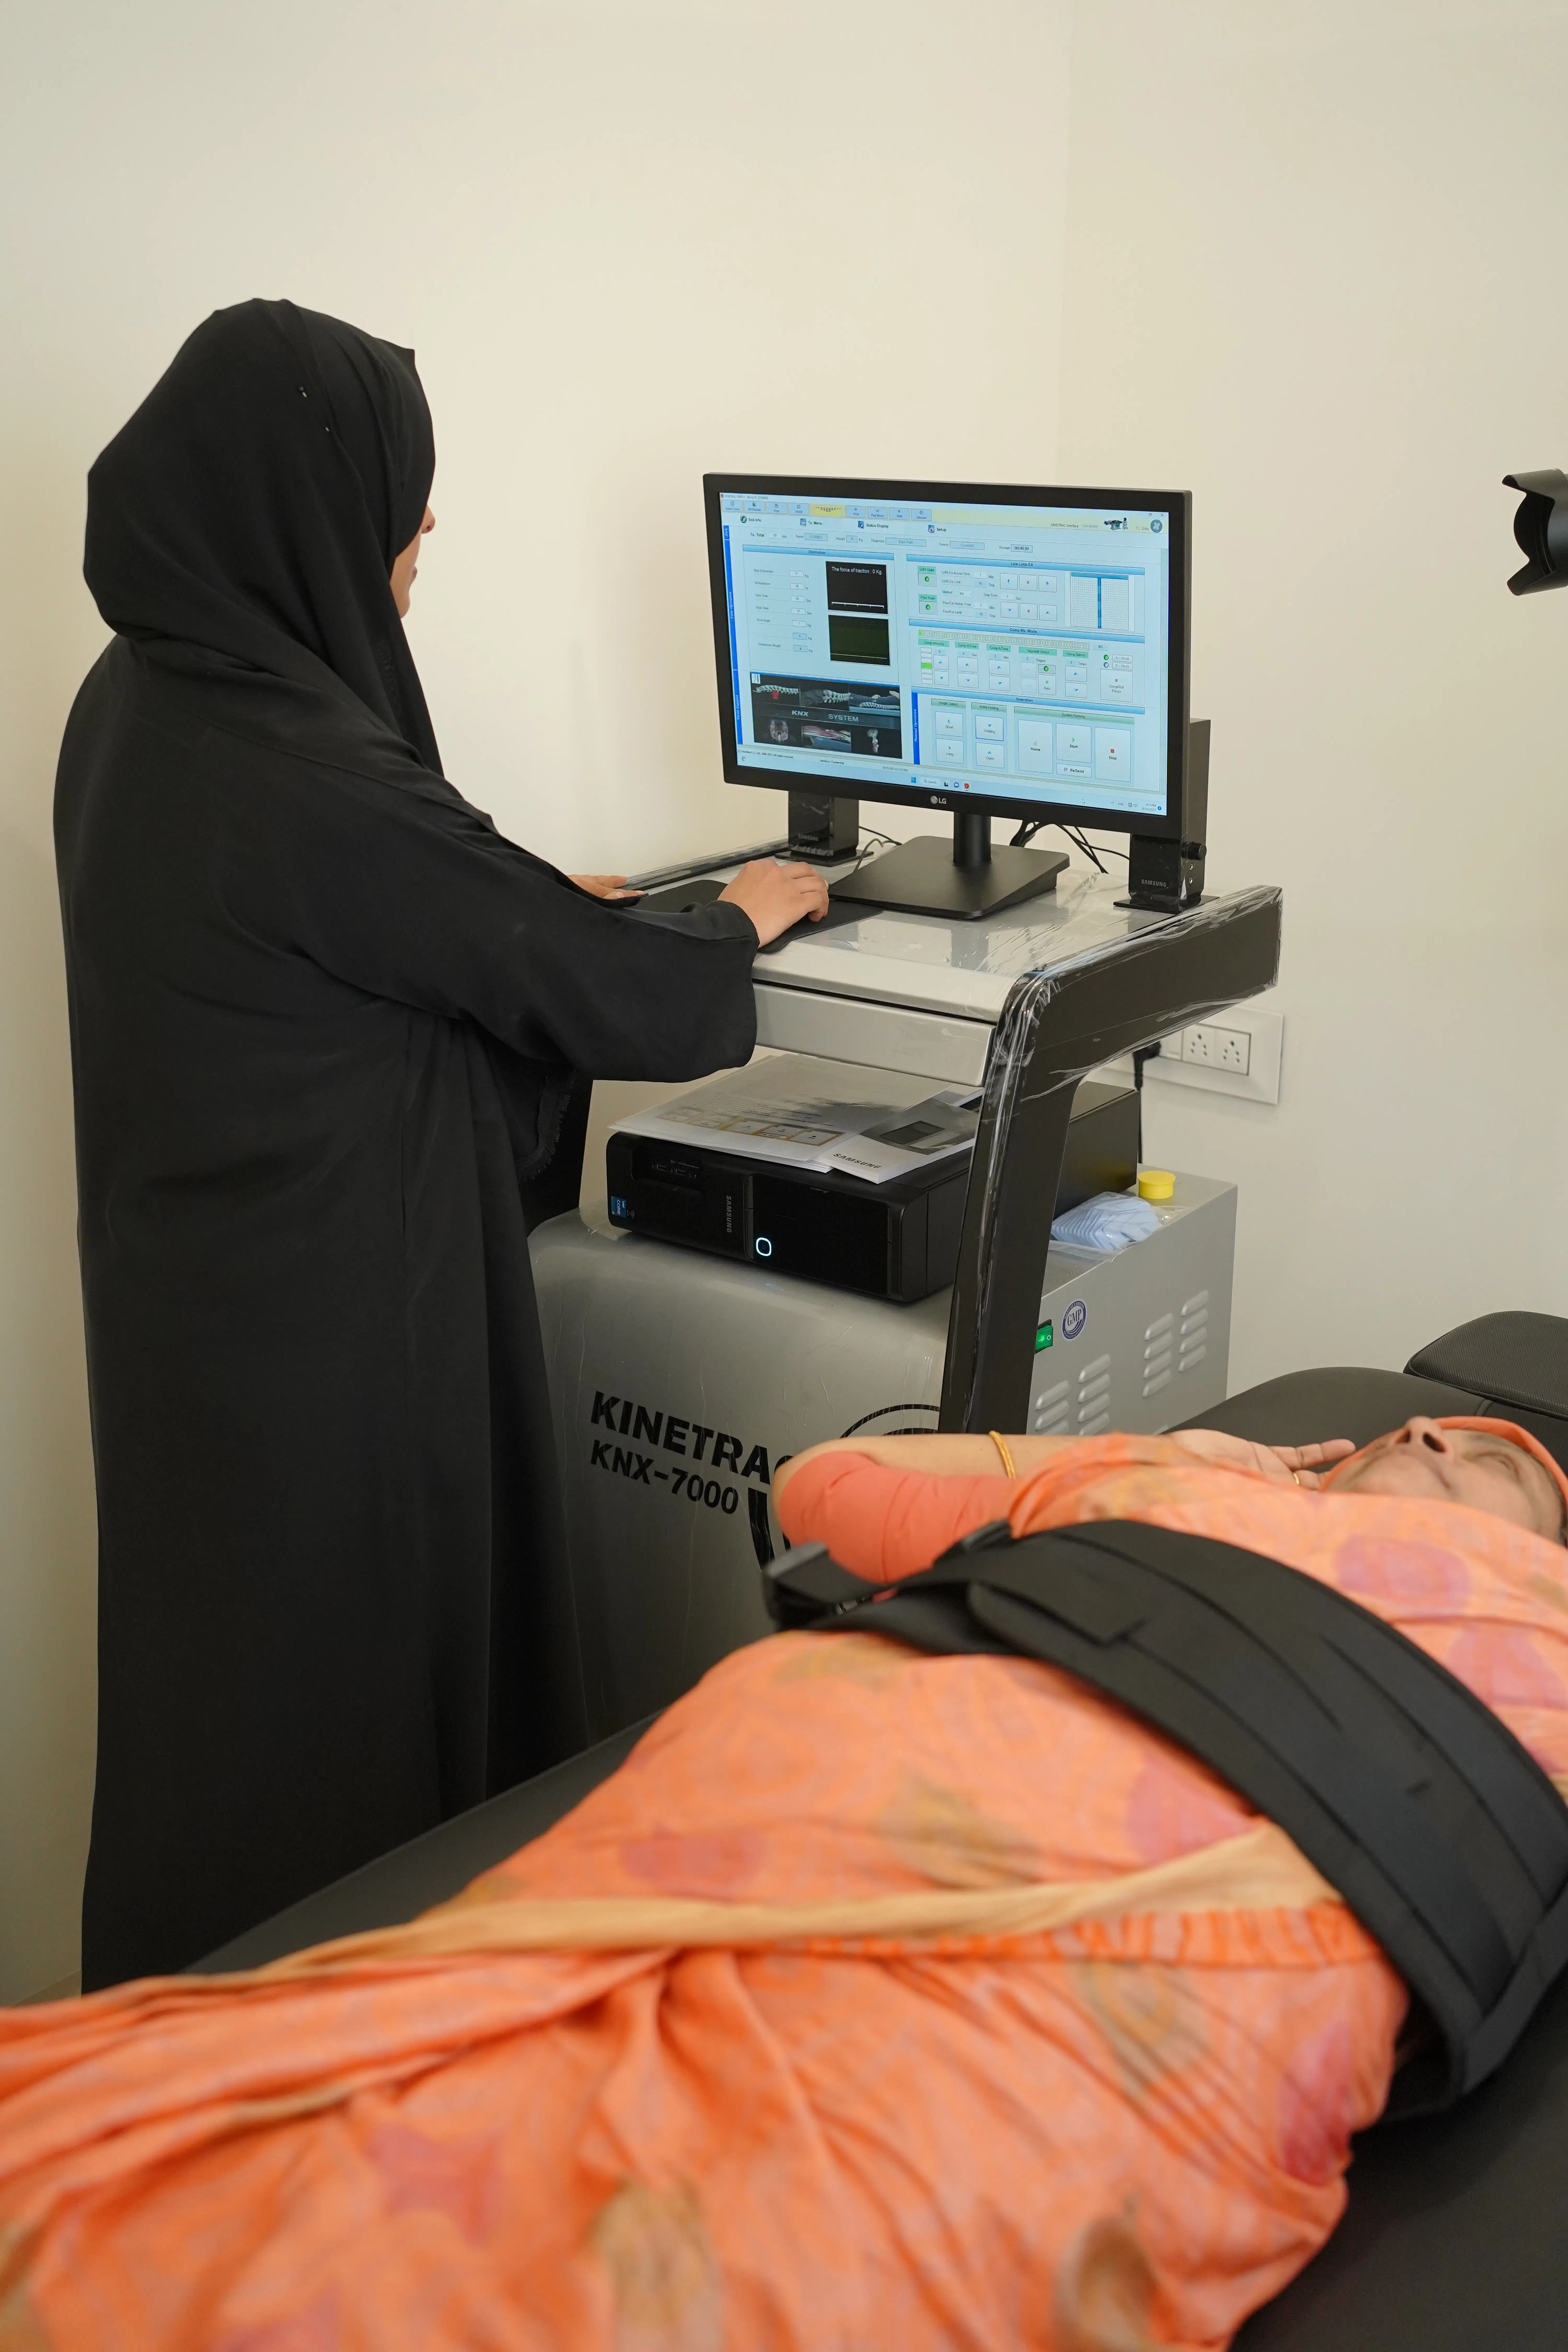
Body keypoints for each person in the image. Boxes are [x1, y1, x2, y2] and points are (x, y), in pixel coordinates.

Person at [4, 1412, 1568, 2349]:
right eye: (1426, 1430)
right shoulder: (1164, 1488)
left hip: (1073, 2017)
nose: (1439, 1438)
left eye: (1512, 1467)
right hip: (770, 1817)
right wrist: (1176, 1454)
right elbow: (829, 1484)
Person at [55, 298, 829, 1988]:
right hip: (330, 1354)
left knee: (223, 1731)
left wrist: (528, 897)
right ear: (308, 512)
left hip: (195, 1327)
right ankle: (362, 2094)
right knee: (354, 1743)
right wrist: (740, 919)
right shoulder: (298, 761)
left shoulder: (141, 700)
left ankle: (200, 2051)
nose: (422, 542)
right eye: (405, 508)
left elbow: (387, 909)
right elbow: (569, 973)